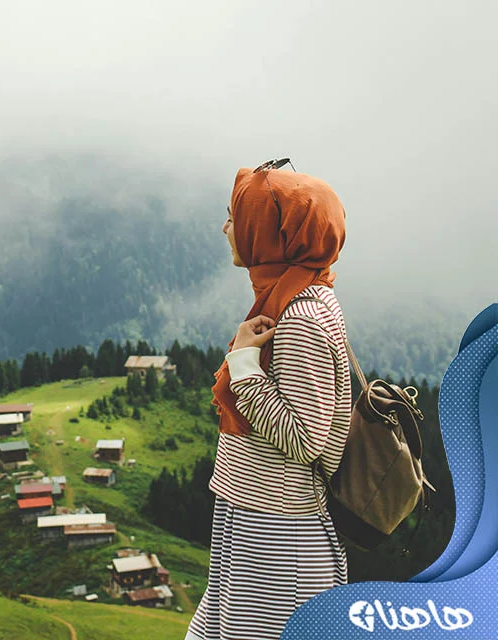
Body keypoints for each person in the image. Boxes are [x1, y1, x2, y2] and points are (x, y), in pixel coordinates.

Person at [185, 162, 351, 640]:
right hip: (255, 517)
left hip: (279, 538)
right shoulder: (288, 299)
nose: (226, 228)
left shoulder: (301, 318)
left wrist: (242, 365)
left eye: (236, 218)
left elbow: (306, 439)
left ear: (268, 231)